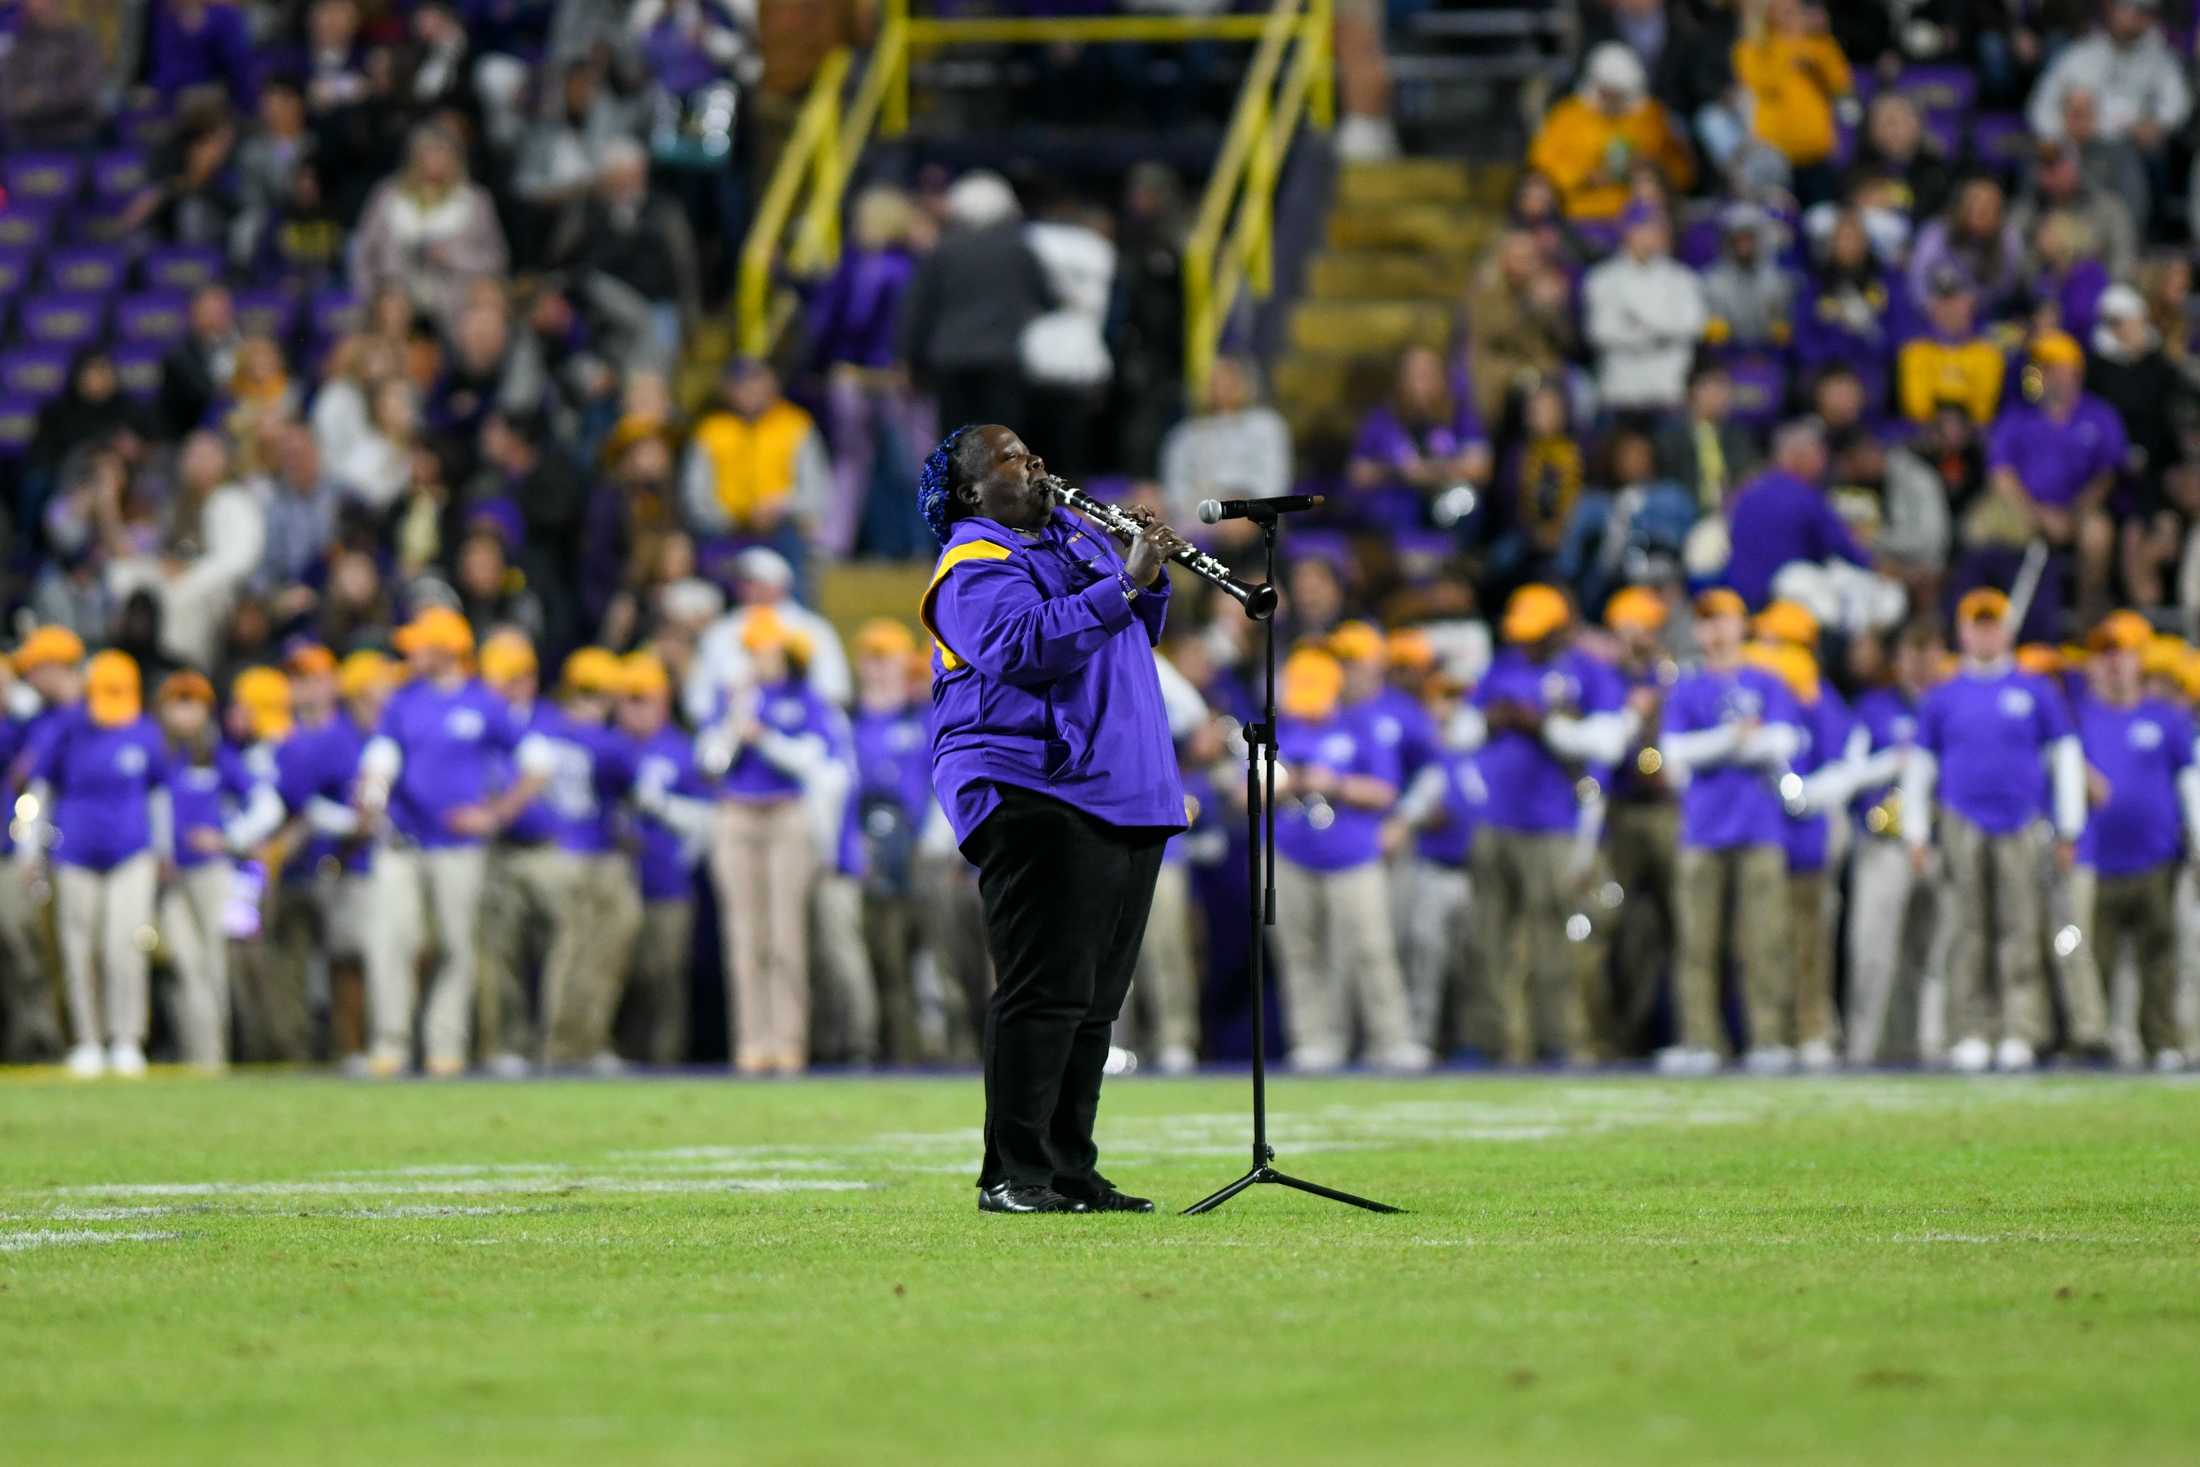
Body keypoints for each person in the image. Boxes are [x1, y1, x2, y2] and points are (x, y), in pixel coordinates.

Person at [916, 423, 1187, 1214]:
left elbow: (1133, 630)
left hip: (1122, 781)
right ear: (972, 491)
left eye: (1032, 451)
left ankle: (1068, 1167)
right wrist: (1124, 584)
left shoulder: (1072, 535)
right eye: (1008, 457)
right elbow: (1022, 645)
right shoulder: (975, 558)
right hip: (1034, 779)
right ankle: (1014, 1170)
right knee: (1046, 987)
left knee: (1096, 998)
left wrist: (1147, 572)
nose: (1032, 462)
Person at [355, 607, 553, 1077]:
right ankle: (390, 1043)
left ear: (446, 650)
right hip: (404, 838)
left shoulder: (483, 702)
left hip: (458, 845)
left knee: (455, 945)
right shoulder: (403, 702)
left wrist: (495, 814)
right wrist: (372, 796)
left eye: (421, 644)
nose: (412, 652)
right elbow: (380, 760)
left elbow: (538, 762)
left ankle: (446, 1044)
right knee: (392, 940)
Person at [1900, 588, 2086, 1073]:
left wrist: (2069, 826)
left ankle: (2021, 1029)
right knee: (1967, 930)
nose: (1984, 633)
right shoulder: (1943, 697)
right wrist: (1916, 834)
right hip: (1963, 820)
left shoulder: (2036, 691)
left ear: (2006, 628)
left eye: (1992, 623)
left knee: (2021, 928)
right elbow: (1920, 769)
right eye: (1976, 624)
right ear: (1963, 632)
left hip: (2021, 821)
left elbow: (2064, 759)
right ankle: (1972, 1029)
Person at [1459, 584, 1638, 1064]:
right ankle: (1506, 1045)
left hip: (1559, 823)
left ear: (1562, 630)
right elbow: (1460, 731)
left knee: (1560, 940)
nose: (1526, 643)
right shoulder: (1505, 667)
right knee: (1493, 940)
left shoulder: (1589, 672)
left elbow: (1610, 743)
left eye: (1537, 635)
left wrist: (1544, 727)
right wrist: (1492, 721)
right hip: (1499, 819)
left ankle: (1568, 1041)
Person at [1656, 588, 1805, 1074]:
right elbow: (1673, 753)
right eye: (1706, 621)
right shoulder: (1687, 688)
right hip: (1702, 829)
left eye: (1723, 620)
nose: (1715, 631)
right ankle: (1700, 1040)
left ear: (1742, 625)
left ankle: (1768, 1038)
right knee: (1697, 943)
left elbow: (1785, 741)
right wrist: (1734, 738)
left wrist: (1726, 747)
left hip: (1759, 826)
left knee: (1763, 941)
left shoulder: (1768, 680)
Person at [1269, 647, 1424, 1074]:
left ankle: (1391, 1039)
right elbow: (1247, 791)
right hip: (1292, 853)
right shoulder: (1278, 730)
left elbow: (1385, 791)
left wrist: (1334, 784)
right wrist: (1282, 786)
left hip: (1354, 854)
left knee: (1370, 949)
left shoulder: (1362, 726)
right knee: (1301, 952)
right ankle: (1316, 1042)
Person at [20, 653, 173, 1080]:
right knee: (77, 946)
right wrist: (29, 848)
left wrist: (164, 850)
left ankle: (126, 1039)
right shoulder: (68, 729)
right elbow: (40, 789)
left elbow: (159, 794)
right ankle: (86, 1040)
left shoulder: (145, 732)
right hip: (74, 852)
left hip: (132, 853)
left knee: (123, 944)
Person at [698, 607, 837, 1076]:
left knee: (784, 936)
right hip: (737, 813)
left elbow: (811, 761)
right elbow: (712, 763)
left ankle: (788, 1041)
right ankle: (751, 1042)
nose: (758, 656)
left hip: (785, 814)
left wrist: (766, 737)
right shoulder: (734, 699)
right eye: (752, 649)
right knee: (743, 936)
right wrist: (737, 718)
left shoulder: (806, 699)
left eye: (765, 647)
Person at [2067, 611, 2198, 1070]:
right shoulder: (2077, 719)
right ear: (2092, 665)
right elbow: (2054, 772)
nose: (2112, 664)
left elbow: (2188, 784)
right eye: (2103, 655)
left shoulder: (2166, 719)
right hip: (2095, 859)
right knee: (2090, 955)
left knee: (2160, 956)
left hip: (2157, 857)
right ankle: (2098, 1040)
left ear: (2137, 660)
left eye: (2120, 654)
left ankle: (2161, 1040)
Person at [154, 671, 281, 1070]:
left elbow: (268, 806)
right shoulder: (160, 755)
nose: (186, 713)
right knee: (182, 963)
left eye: (194, 703)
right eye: (179, 702)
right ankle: (194, 1051)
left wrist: (229, 838)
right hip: (168, 876)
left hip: (213, 872)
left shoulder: (218, 756)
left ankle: (212, 1057)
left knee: (212, 963)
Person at [1843, 621, 1947, 1066]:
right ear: (1899, 659)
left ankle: (1930, 1046)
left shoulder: (1952, 704)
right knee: (1872, 952)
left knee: (1936, 955)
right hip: (1885, 844)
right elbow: (1850, 773)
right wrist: (1891, 763)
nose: (1921, 665)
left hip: (1943, 843)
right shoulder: (1875, 708)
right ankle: (1864, 1048)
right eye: (1912, 653)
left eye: (1929, 653)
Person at [896, 173, 1054, 433]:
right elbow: (1045, 298)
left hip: (950, 357)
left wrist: (910, 358)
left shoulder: (944, 250)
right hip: (1002, 356)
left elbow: (919, 306)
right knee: (999, 439)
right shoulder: (1018, 249)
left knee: (956, 440)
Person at [615, 650, 713, 1065]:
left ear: (662, 700)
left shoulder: (681, 749)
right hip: (619, 881)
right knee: (621, 977)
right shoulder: (611, 746)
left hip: (667, 882)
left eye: (643, 698)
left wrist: (662, 809)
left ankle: (665, 1062)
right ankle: (624, 1058)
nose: (634, 709)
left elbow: (709, 820)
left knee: (664, 978)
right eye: (628, 698)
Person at [846, 619, 933, 1066]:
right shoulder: (849, 721)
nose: (878, 668)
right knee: (876, 960)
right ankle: (878, 1053)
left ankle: (925, 1055)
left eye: (887, 658)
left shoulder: (925, 717)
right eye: (871, 658)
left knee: (926, 963)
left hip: (922, 853)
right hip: (863, 849)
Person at [1599, 585, 1681, 1057]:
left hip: (1669, 807)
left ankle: (1692, 1036)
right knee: (1613, 929)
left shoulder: (1674, 676)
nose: (1640, 637)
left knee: (1683, 928)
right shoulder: (1603, 679)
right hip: (1620, 809)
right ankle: (1615, 1038)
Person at [351, 123, 511, 334]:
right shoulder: (387, 195)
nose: (436, 159)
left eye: (443, 151)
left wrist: (452, 256)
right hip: (396, 288)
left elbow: (497, 258)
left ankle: (470, 365)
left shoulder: (476, 201)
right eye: (429, 151)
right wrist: (369, 293)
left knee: (487, 309)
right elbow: (362, 250)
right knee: (391, 309)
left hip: (456, 294)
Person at [1527, 42, 1696, 221]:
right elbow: (1540, 166)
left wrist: (1651, 169)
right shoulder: (1568, 116)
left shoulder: (1650, 114)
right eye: (1612, 93)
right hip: (1582, 215)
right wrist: (1584, 177)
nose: (1618, 101)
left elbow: (1682, 171)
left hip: (1642, 220)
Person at [1723, 419, 1870, 609]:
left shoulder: (1747, 491)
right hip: (1782, 604)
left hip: (1739, 600)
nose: (1824, 462)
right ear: (1797, 457)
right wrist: (1875, 565)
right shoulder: (1805, 496)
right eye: (1819, 454)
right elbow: (1847, 550)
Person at [1583, 202, 1707, 419]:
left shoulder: (1683, 279)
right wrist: (1661, 331)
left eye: (1654, 228)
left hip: (1669, 390)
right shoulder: (1602, 279)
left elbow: (1694, 326)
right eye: (1641, 228)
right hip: (1621, 391)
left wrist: (1639, 324)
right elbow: (1600, 331)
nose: (1647, 235)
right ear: (1626, 231)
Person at [1156, 356, 1293, 533]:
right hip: (1197, 515)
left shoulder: (1268, 425)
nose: (1221, 388)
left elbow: (1274, 480)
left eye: (1229, 380)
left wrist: (1243, 504)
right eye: (1214, 382)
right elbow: (1174, 486)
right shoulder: (1184, 433)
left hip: (1251, 514)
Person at [1897, 265, 2006, 427]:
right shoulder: (1914, 352)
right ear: (1931, 306)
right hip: (1927, 443)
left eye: (1955, 300)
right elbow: (1918, 410)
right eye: (1942, 301)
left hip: (1975, 444)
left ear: (1970, 301)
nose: (1949, 308)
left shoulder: (1988, 353)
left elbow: (1982, 411)